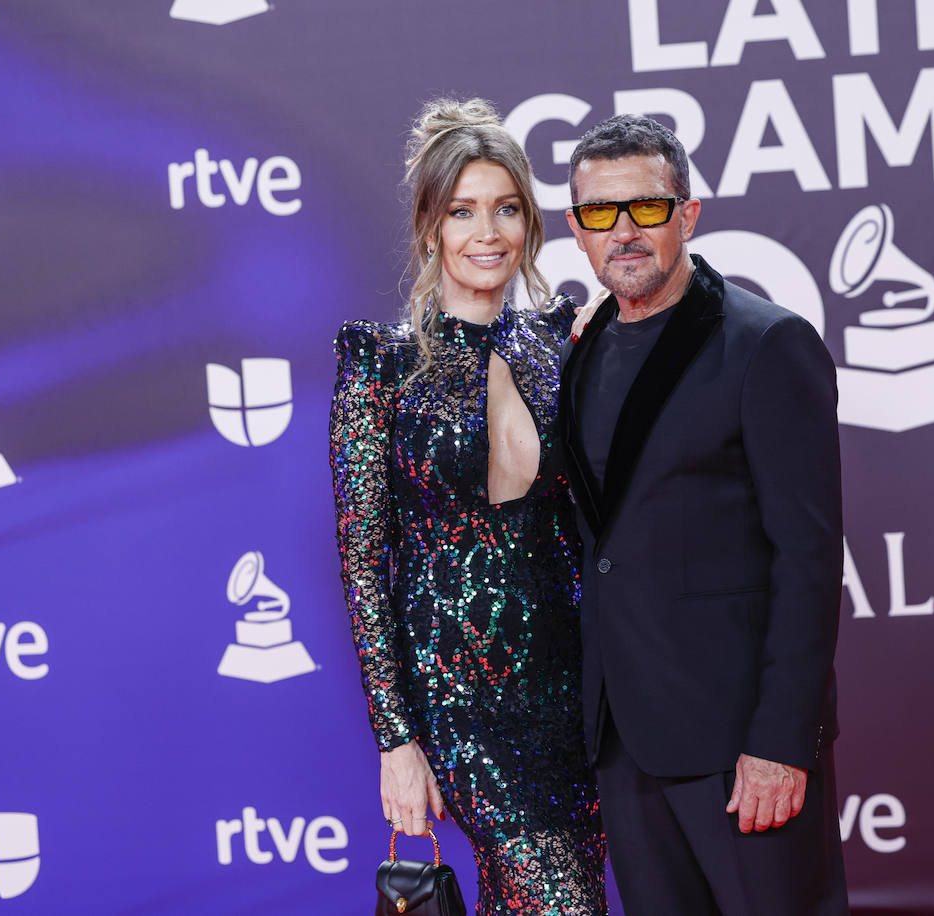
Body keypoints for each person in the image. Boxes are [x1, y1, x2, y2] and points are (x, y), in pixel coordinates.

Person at [559, 114, 849, 913]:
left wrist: (782, 743)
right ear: (576, 230)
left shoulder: (766, 344)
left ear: (688, 214)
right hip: (624, 741)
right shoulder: (581, 351)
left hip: (738, 746)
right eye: (598, 214)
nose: (623, 232)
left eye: (646, 208)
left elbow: (810, 559)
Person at [329, 98, 606, 914]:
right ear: (429, 227)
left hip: (577, 690)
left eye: (506, 208)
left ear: (530, 222)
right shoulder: (379, 365)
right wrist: (395, 740)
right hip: (463, 704)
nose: (487, 232)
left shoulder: (565, 343)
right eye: (462, 211)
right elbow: (361, 557)